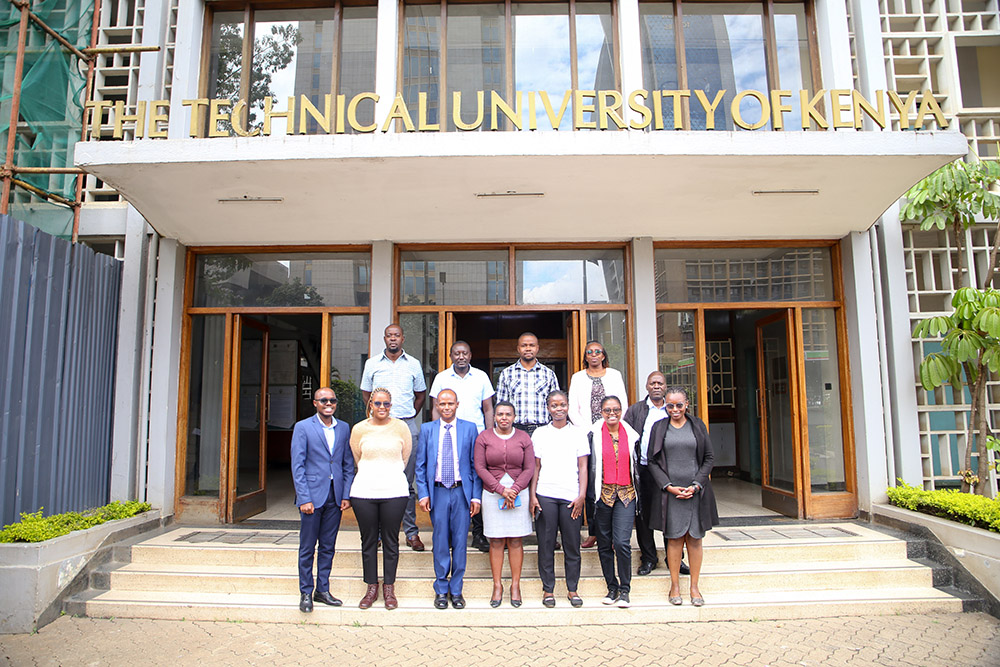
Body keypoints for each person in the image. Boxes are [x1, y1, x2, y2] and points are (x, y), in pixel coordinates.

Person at [647, 386, 719, 607]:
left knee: (695, 539)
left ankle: (694, 587)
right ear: (665, 406)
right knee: (675, 538)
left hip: (695, 492)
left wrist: (697, 484)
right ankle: (675, 585)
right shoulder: (659, 428)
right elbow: (652, 461)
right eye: (670, 405)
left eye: (679, 405)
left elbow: (708, 457)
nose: (675, 409)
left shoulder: (697, 425)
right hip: (672, 494)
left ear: (687, 404)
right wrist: (668, 486)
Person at [360, 323, 427, 552]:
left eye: (397, 335)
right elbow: (366, 393)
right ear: (384, 338)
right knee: (380, 480)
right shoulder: (372, 364)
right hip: (379, 426)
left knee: (406, 483)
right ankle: (379, 533)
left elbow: (420, 395)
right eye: (389, 335)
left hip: (406, 425)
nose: (393, 339)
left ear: (403, 338)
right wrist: (376, 415)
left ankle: (411, 532)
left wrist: (409, 416)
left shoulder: (414, 364)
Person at [415, 389, 483, 610]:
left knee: (461, 543)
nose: (446, 408)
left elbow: (475, 465)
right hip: (438, 492)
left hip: (461, 491)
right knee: (441, 542)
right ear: (436, 405)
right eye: (442, 404)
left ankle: (457, 589)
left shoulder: (469, 428)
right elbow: (421, 465)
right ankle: (441, 589)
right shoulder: (427, 429)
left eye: (450, 404)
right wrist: (423, 493)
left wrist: (475, 496)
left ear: (457, 404)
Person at [290, 387, 355, 613]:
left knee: (328, 546)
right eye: (324, 400)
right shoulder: (303, 427)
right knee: (308, 547)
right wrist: (303, 498)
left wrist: (346, 495)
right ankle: (306, 592)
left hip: (335, 497)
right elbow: (297, 466)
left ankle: (323, 590)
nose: (329, 403)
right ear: (315, 403)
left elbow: (347, 464)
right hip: (311, 497)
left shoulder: (344, 428)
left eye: (332, 400)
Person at [348, 388, 412, 610]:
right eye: (377, 404)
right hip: (364, 491)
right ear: (370, 405)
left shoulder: (401, 427)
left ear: (391, 405)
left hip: (394, 491)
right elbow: (357, 457)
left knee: (391, 541)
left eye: (386, 404)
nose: (382, 408)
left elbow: (405, 458)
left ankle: (389, 588)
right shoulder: (359, 429)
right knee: (368, 541)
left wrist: (388, 474)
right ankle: (371, 587)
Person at [429, 340, 495, 552]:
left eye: (464, 353)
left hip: (475, 436)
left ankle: (478, 533)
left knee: (476, 479)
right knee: (450, 481)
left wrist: (489, 434)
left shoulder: (481, 377)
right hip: (448, 435)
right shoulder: (441, 378)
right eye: (457, 353)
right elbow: (435, 409)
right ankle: (447, 536)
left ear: (470, 355)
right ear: (451, 356)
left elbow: (488, 409)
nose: (461, 356)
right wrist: (435, 432)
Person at [623, 371, 690, 577]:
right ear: (646, 386)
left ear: (665, 386)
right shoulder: (636, 410)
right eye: (652, 383)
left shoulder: (674, 409)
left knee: (671, 515)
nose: (656, 386)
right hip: (643, 470)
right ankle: (649, 558)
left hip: (671, 472)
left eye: (660, 383)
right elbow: (625, 437)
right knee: (644, 516)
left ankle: (675, 560)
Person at [529, 390, 588, 608]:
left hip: (571, 496)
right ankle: (548, 589)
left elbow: (583, 467)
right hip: (545, 494)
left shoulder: (579, 433)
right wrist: (532, 495)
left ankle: (572, 589)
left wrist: (582, 495)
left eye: (562, 404)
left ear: (568, 406)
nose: (559, 409)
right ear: (548, 408)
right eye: (554, 405)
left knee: (572, 544)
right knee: (545, 544)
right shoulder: (540, 434)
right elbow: (535, 467)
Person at [474, 400, 535, 608]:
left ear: (514, 417)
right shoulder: (484, 438)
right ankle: (497, 585)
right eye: (500, 414)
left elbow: (529, 468)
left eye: (508, 414)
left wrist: (515, 489)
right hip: (492, 492)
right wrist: (501, 490)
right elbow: (480, 467)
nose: (504, 418)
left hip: (519, 491)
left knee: (516, 540)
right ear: (494, 417)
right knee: (496, 541)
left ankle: (515, 586)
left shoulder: (523, 437)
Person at [568, 340, 629, 549]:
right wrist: (591, 430)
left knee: (611, 482)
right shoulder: (577, 378)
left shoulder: (614, 375)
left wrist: (611, 426)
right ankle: (595, 532)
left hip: (612, 435)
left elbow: (623, 405)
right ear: (585, 356)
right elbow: (572, 409)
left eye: (598, 351)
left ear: (603, 355)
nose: (593, 355)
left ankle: (613, 533)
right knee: (592, 485)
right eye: (589, 352)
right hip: (587, 436)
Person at [588, 395, 641, 608]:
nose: (612, 414)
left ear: (621, 411)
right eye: (607, 410)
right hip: (603, 495)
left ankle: (625, 589)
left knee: (621, 543)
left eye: (616, 410)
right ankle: (612, 587)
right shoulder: (592, 435)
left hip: (626, 495)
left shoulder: (631, 434)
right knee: (604, 544)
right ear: (601, 412)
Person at [496, 332, 560, 435]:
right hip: (515, 430)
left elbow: (556, 405)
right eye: (524, 345)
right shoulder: (507, 374)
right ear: (518, 349)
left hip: (543, 430)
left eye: (532, 345)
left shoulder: (548, 374)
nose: (528, 348)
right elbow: (501, 405)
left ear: (537, 348)